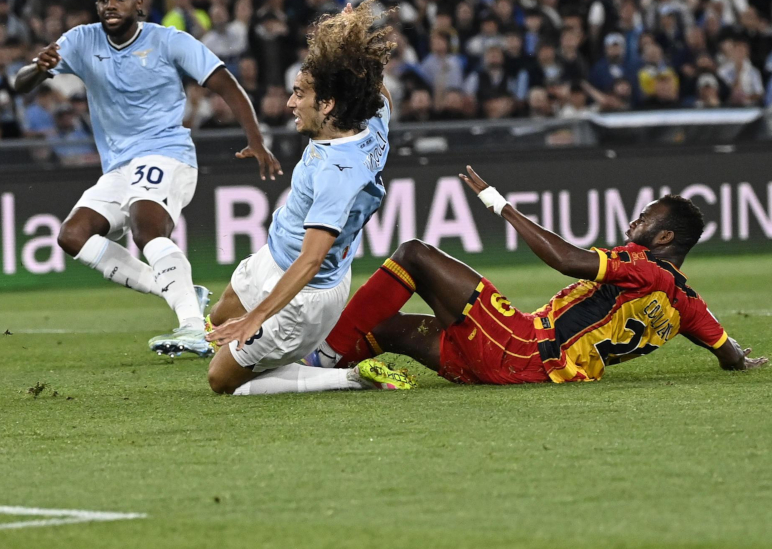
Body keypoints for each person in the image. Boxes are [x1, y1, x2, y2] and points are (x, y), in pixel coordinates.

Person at [12, 0, 281, 356]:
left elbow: (224, 83)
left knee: (145, 227)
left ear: (140, 4)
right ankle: (183, 292)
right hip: (120, 166)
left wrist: (256, 140)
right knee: (72, 236)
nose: (110, 5)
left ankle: (193, 328)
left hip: (166, 152)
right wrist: (38, 68)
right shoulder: (81, 40)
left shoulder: (168, 40)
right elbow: (21, 83)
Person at [308, 165, 766, 385]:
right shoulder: (687, 304)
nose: (632, 225)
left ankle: (321, 359)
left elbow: (567, 259)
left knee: (414, 254)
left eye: (643, 220)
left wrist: (498, 204)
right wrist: (741, 360)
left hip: (522, 346)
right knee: (386, 327)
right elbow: (727, 353)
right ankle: (323, 379)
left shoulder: (643, 268)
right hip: (511, 367)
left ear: (664, 238)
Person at [202, 1, 414, 395]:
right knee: (216, 320)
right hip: (274, 255)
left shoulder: (337, 173)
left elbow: (312, 259)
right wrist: (349, 39)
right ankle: (267, 346)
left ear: (328, 104)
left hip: (306, 294)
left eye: (299, 94)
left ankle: (350, 377)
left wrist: (259, 317)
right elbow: (374, 83)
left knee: (221, 380)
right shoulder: (373, 114)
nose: (289, 103)